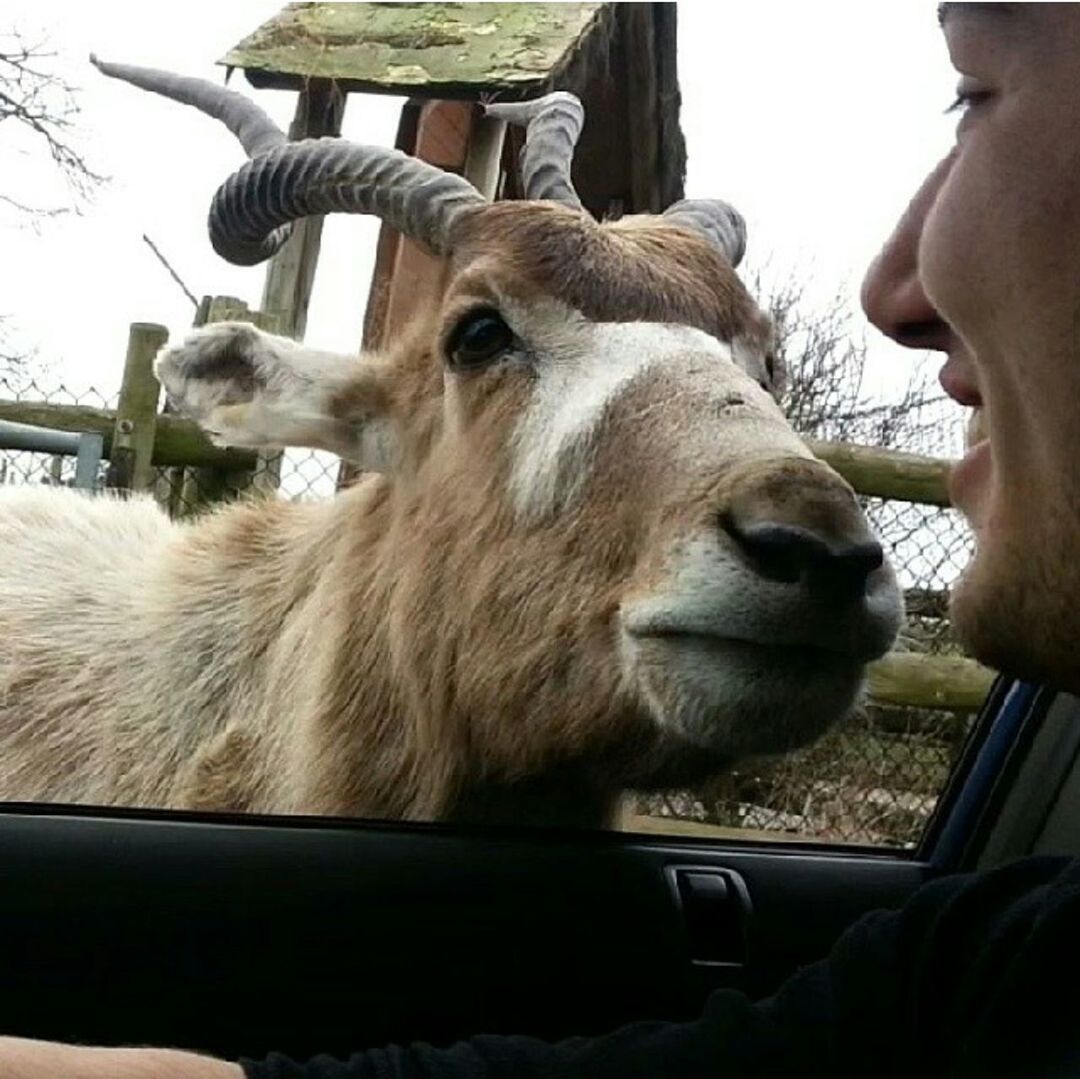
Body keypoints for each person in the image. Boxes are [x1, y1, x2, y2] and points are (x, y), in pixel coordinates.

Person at [2, 2, 1079, 1076]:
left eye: (975, 93)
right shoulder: (983, 982)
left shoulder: (971, 983)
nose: (901, 293)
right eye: (487, 336)